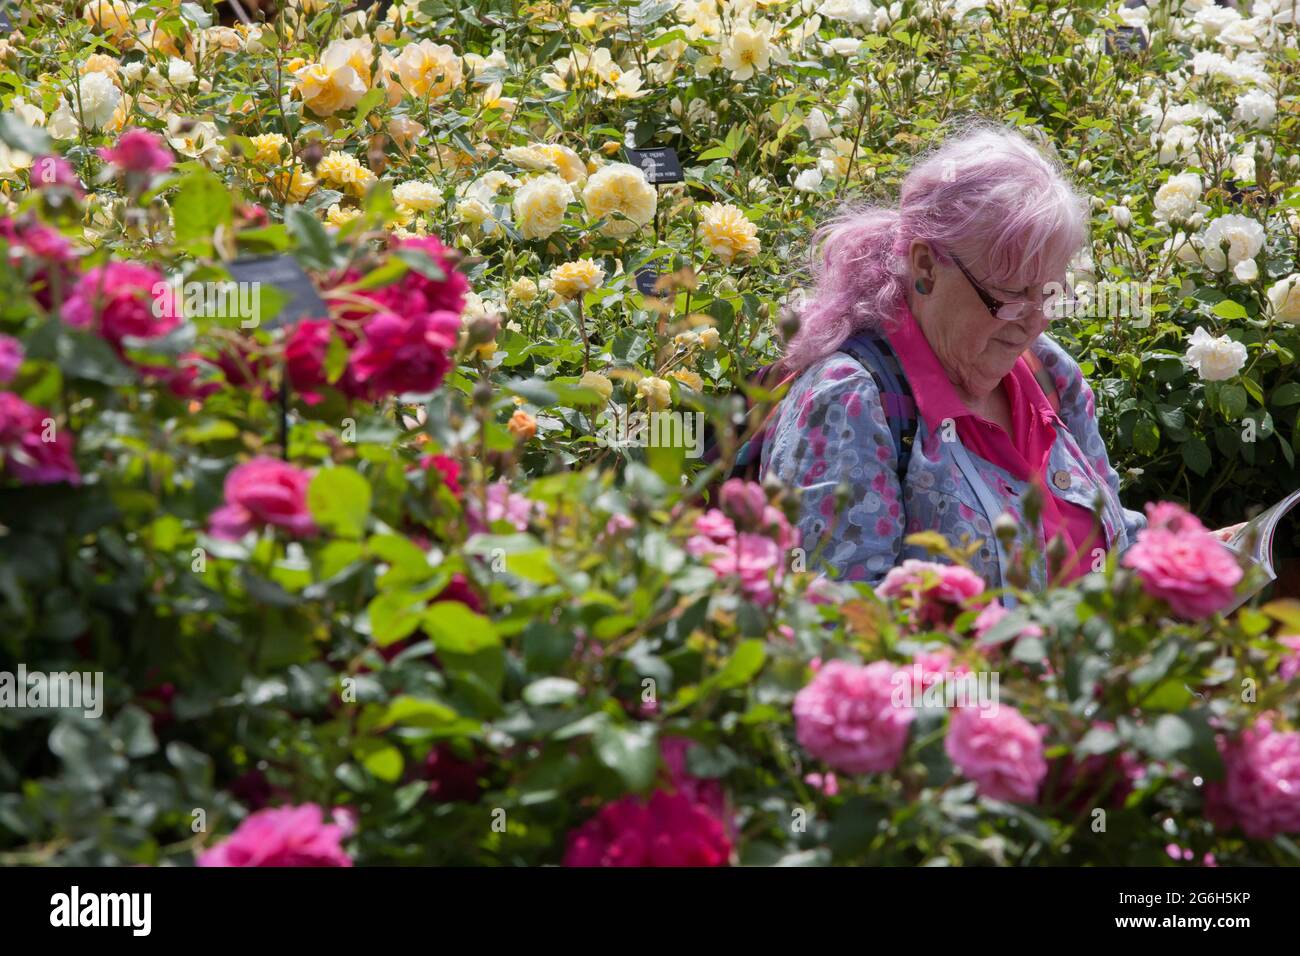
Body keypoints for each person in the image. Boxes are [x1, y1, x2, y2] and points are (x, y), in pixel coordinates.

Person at [761, 121, 1145, 593]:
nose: (1034, 321)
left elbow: (1117, 544)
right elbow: (829, 621)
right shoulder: (853, 400)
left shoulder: (1048, 373)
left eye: (1050, 294)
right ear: (925, 266)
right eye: (1008, 295)